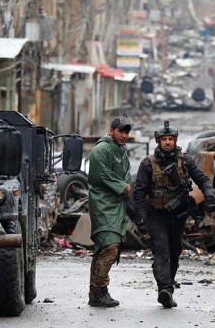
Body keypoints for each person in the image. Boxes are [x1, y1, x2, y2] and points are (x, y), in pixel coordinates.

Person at [131, 121, 215, 308]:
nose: (168, 142)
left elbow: (202, 180)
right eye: (164, 139)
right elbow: (139, 192)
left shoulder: (185, 160)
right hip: (156, 214)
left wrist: (209, 197)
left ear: (175, 140)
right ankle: (165, 288)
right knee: (161, 250)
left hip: (178, 216)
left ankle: (167, 285)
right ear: (158, 141)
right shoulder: (148, 163)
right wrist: (141, 218)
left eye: (171, 139)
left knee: (174, 251)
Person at [87, 116, 132, 307]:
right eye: (120, 131)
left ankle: (95, 292)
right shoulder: (101, 150)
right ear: (111, 130)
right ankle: (100, 291)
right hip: (103, 204)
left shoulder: (121, 150)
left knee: (103, 249)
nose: (124, 136)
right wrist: (123, 187)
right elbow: (101, 175)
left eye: (126, 132)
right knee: (110, 248)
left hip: (116, 205)